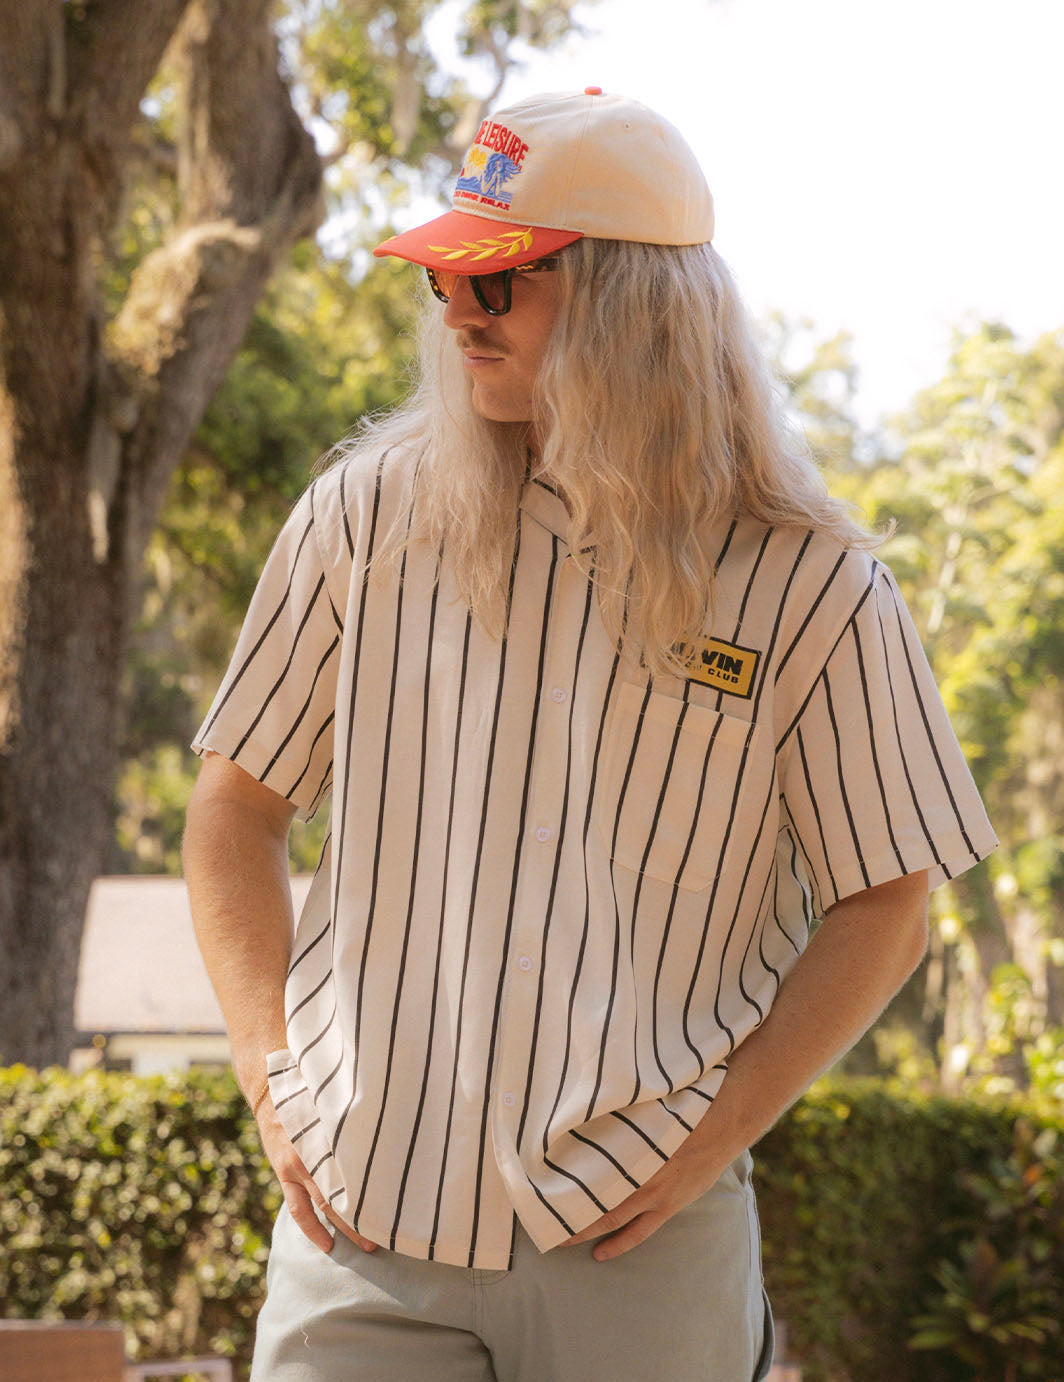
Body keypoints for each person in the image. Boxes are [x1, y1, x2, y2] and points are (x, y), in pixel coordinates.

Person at [183, 88, 997, 1381]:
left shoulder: (812, 586)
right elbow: (235, 807)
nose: (457, 312)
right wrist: (263, 1059)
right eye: (448, 278)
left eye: (498, 285)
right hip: (363, 1227)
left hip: (639, 1248)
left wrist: (717, 1132)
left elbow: (890, 896)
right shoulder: (361, 522)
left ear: (631, 302)